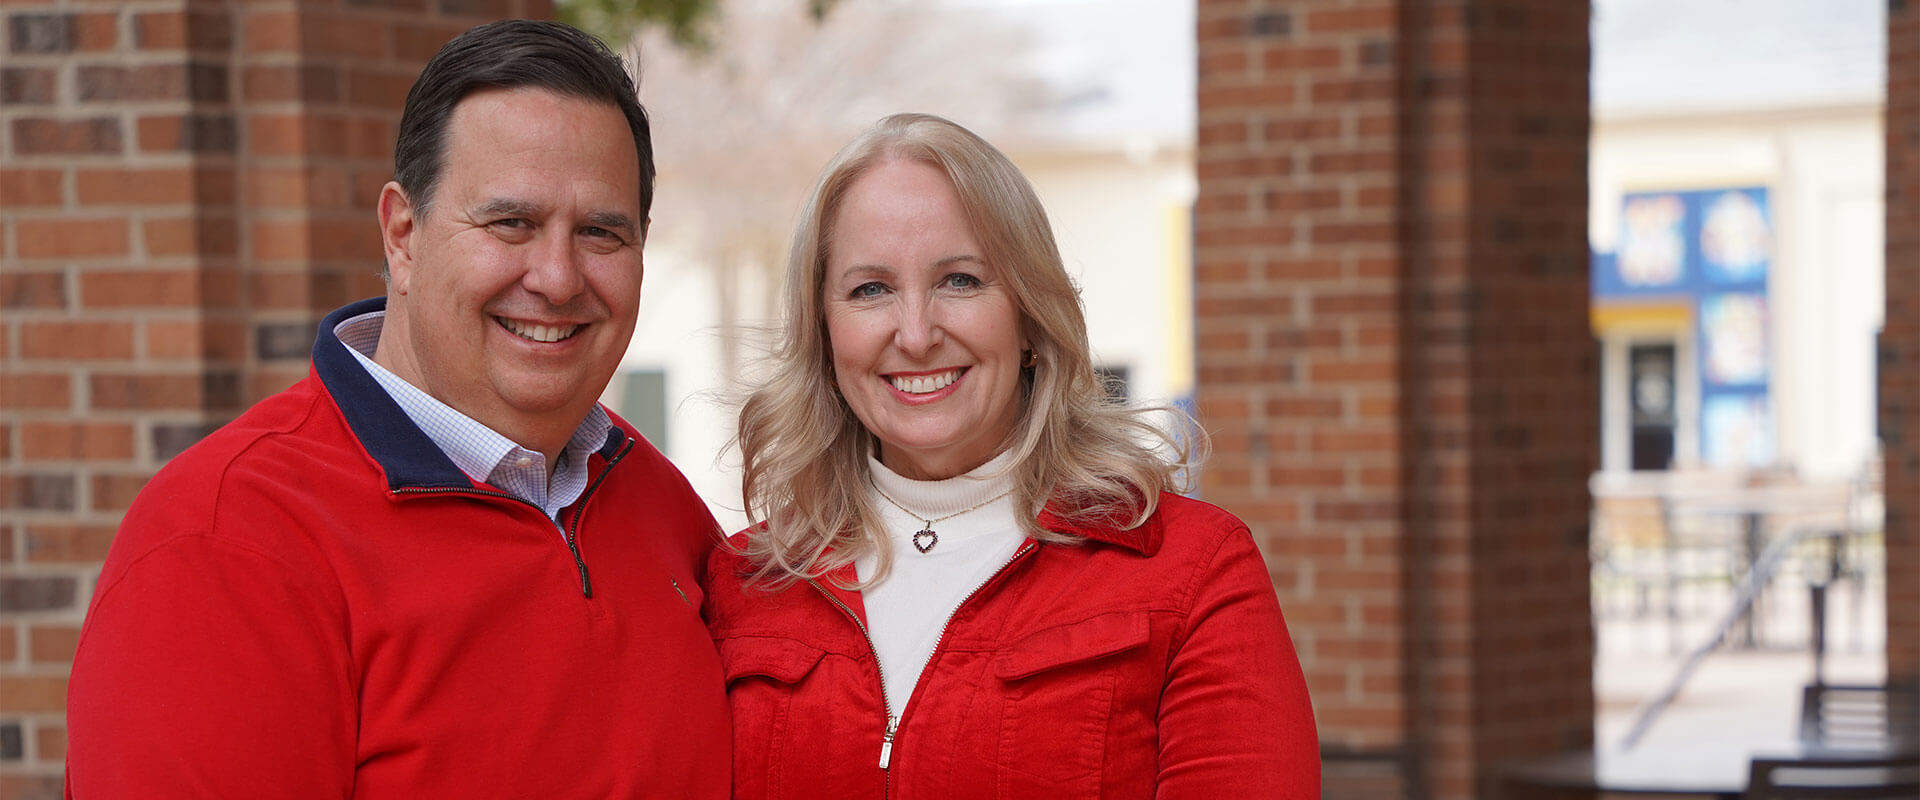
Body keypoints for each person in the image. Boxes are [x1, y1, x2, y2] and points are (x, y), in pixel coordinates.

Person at [64, 20, 728, 797]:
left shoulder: (660, 508)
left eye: (601, 233)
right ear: (403, 235)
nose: (557, 277)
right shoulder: (224, 544)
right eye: (511, 223)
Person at [705, 112, 1319, 798]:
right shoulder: (743, 584)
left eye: (960, 280)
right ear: (824, 331)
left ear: (1028, 316)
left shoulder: (1191, 572)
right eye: (870, 289)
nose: (915, 333)